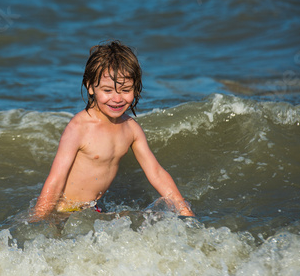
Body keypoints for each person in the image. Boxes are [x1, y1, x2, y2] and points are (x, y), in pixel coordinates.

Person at [31, 40, 195, 220]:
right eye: (107, 90)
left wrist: (185, 211)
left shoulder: (131, 129)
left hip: (93, 210)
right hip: (64, 212)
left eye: (125, 90)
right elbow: (55, 180)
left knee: (149, 219)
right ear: (90, 86)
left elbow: (156, 172)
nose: (117, 99)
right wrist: (38, 218)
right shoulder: (79, 128)